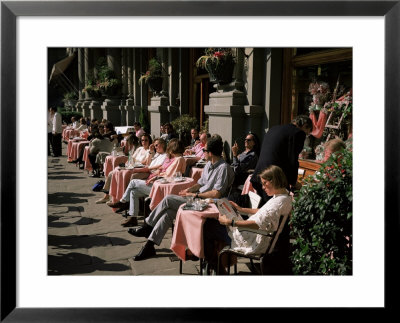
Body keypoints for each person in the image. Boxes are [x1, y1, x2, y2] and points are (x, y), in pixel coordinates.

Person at [128, 135, 235, 261]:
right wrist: (189, 190)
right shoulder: (208, 165)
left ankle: (147, 226)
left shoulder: (223, 168)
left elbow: (217, 193)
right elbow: (200, 183)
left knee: (168, 199)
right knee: (167, 214)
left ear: (210, 153)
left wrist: (195, 195)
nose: (202, 153)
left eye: (204, 151)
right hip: (198, 201)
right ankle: (149, 245)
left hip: (209, 205)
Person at [203, 165, 292, 274]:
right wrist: (240, 209)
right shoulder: (283, 196)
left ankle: (217, 269)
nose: (263, 187)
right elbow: (263, 212)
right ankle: (216, 265)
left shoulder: (278, 202)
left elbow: (258, 224)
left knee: (208, 228)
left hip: (253, 239)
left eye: (265, 183)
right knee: (213, 226)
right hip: (254, 234)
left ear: (274, 181)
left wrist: (231, 222)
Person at [107, 139, 186, 227]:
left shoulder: (178, 159)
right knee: (133, 192)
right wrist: (156, 173)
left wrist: (156, 176)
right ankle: (133, 218)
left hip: (161, 187)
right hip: (157, 183)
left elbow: (170, 176)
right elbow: (163, 170)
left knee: (133, 182)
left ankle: (123, 201)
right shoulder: (174, 159)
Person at [250, 115, 312, 205]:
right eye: (307, 133)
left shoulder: (274, 128)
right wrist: (294, 182)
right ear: (305, 125)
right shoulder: (298, 133)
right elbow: (293, 160)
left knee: (265, 211)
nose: (306, 136)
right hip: (273, 180)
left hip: (260, 175)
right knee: (276, 213)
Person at [96, 137, 167, 205]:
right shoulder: (152, 152)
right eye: (142, 140)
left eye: (146, 140)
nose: (144, 142)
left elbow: (149, 165)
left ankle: (124, 200)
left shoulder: (163, 155)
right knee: (115, 172)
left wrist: (149, 154)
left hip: (149, 173)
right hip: (142, 169)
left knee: (130, 176)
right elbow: (132, 158)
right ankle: (113, 196)